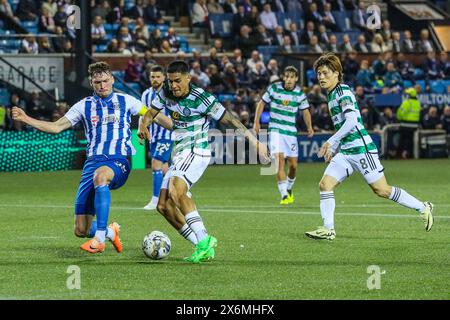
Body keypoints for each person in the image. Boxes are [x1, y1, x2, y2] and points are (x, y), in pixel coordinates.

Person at [11, 62, 173, 254]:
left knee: (101, 176)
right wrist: (26, 118)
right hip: (91, 165)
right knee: (81, 229)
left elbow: (153, 114)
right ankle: (110, 232)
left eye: (105, 81)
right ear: (91, 83)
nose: (102, 86)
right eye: (97, 82)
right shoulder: (83, 106)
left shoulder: (126, 101)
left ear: (112, 80)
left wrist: (178, 127)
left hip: (118, 161)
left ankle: (99, 238)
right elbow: (56, 127)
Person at [138, 60, 269, 263]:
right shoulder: (165, 90)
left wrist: (254, 141)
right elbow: (151, 112)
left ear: (188, 78)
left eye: (178, 81)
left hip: (196, 150)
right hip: (180, 152)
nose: (173, 85)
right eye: (171, 81)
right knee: (163, 206)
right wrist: (143, 125)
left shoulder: (202, 99)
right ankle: (202, 245)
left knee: (176, 190)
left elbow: (230, 120)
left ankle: (204, 240)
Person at [304, 53, 434, 240]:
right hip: (347, 150)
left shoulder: (343, 92)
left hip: (362, 149)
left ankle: (423, 207)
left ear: (336, 73)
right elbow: (343, 126)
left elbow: (351, 122)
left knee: (382, 190)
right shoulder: (331, 94)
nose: (321, 77)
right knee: (325, 184)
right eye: (319, 74)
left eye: (325, 73)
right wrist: (335, 147)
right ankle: (328, 229)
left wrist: (330, 141)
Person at [253, 66, 314, 204]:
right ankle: (284, 195)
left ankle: (289, 188)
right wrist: (256, 122)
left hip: (290, 133)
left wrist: (309, 127)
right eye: (286, 76)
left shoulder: (299, 94)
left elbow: (305, 111)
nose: (288, 79)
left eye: (292, 77)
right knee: (279, 161)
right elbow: (261, 103)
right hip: (275, 130)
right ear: (283, 77)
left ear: (296, 78)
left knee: (293, 166)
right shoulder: (274, 88)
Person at [141, 65, 174, 210]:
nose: (155, 79)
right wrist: (142, 130)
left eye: (158, 77)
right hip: (153, 136)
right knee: (165, 169)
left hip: (167, 135)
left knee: (155, 163)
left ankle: (155, 200)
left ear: (164, 77)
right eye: (152, 77)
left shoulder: (170, 93)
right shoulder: (146, 94)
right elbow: (143, 114)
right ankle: (178, 192)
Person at [396, 88, 421, 159]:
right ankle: (409, 154)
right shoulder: (418, 103)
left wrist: (399, 119)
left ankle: (401, 154)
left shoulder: (407, 102)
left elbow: (400, 113)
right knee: (410, 140)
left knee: (402, 140)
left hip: (405, 124)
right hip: (414, 125)